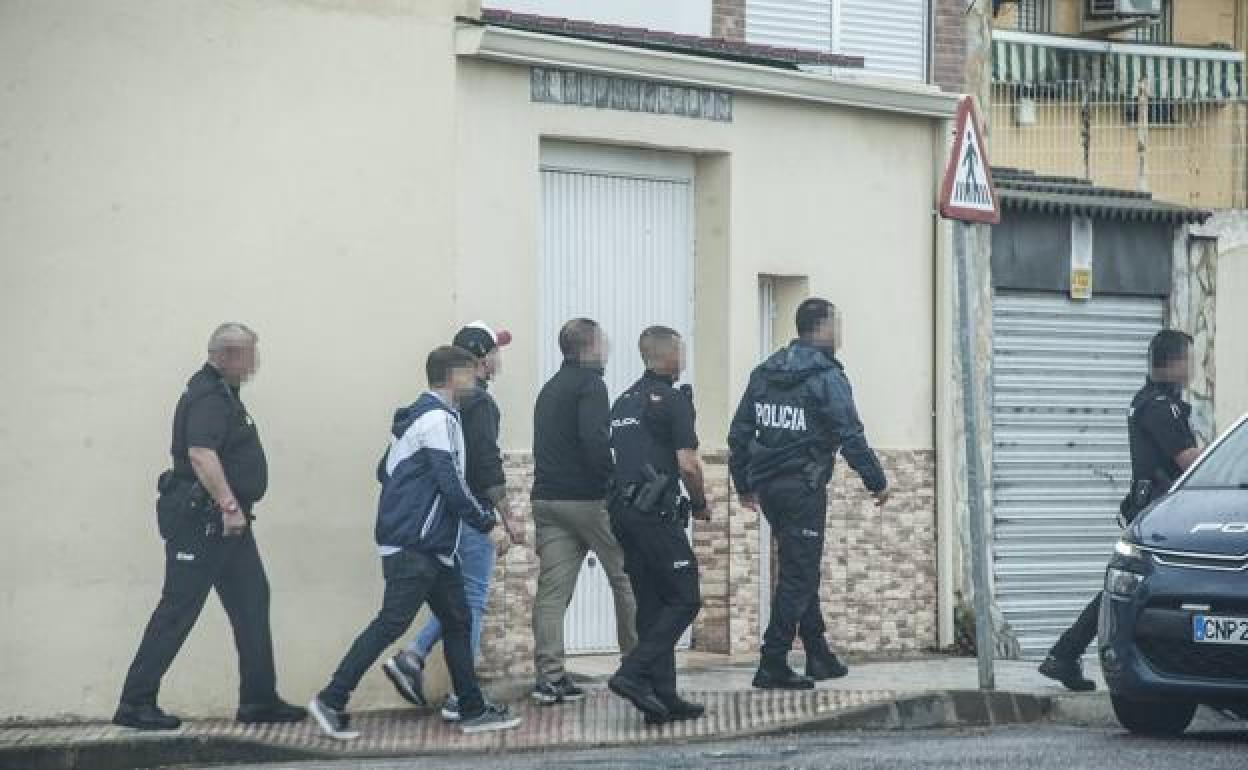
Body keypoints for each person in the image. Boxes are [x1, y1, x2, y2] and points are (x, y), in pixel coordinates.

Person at [308, 346, 520, 739]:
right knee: (391, 623)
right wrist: (488, 524)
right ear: (454, 377)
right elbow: (451, 484)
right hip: (415, 545)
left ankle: (471, 709)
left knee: (458, 620)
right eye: (469, 373)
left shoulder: (426, 418)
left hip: (431, 546)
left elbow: (385, 470)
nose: (476, 379)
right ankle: (330, 700)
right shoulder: (436, 420)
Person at [114, 323, 306, 730]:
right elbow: (201, 453)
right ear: (229, 355)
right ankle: (135, 703)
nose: (255, 364)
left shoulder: (223, 394)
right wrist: (229, 505)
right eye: (251, 355)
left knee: (252, 599)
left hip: (226, 526)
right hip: (204, 521)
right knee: (178, 608)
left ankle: (258, 699)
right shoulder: (207, 397)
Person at [727, 298, 890, 690]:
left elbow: (738, 433)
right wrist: (877, 481)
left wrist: (744, 484)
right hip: (803, 487)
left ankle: (818, 654)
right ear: (824, 327)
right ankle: (772, 661)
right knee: (799, 574)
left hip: (770, 488)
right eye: (838, 324)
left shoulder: (764, 373)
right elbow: (850, 434)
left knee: (800, 565)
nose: (841, 332)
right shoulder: (827, 377)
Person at [1038, 329, 1201, 692]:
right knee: (1129, 587)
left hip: (1156, 508)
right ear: (1175, 362)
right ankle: (1069, 653)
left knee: (1128, 585)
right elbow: (1190, 461)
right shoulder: (1160, 406)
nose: (1192, 368)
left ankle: (1065, 653)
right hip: (1161, 513)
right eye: (1189, 360)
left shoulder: (1150, 400)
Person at [381, 322, 525, 722]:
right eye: (494, 351)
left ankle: (414, 656)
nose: (498, 359)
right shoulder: (480, 404)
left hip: (445, 516)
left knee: (456, 600)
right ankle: (463, 695)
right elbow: (484, 464)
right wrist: (505, 516)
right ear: (478, 360)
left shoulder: (447, 407)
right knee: (471, 599)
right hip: (470, 513)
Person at [529, 318, 638, 705]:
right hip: (589, 501)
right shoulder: (592, 385)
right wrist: (613, 482)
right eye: (603, 342)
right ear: (590, 346)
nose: (607, 349)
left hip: (547, 501)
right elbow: (595, 440)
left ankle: (549, 678)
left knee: (552, 592)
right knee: (626, 577)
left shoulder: (550, 388)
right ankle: (636, 668)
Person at [605, 326, 709, 725]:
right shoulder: (672, 400)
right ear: (668, 356)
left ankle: (661, 697)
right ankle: (632, 674)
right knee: (685, 598)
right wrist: (699, 503)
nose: (683, 359)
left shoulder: (623, 402)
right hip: (655, 515)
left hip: (624, 514)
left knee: (652, 605)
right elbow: (688, 464)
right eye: (680, 352)